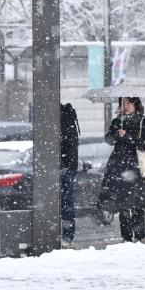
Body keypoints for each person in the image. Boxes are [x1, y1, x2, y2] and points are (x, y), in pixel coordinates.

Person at [98, 97, 145, 242]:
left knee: (137, 204)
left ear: (136, 105)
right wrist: (116, 133)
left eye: (128, 103)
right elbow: (109, 140)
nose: (125, 106)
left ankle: (139, 236)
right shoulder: (117, 121)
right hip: (118, 167)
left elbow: (144, 144)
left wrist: (127, 136)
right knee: (122, 204)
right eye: (122, 103)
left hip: (135, 167)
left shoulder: (143, 121)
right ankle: (126, 237)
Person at [60, 103, 80, 246]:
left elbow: (70, 143)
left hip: (64, 166)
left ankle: (67, 236)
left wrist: (65, 165)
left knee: (66, 201)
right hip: (66, 165)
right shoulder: (66, 116)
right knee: (67, 201)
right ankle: (67, 236)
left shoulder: (63, 116)